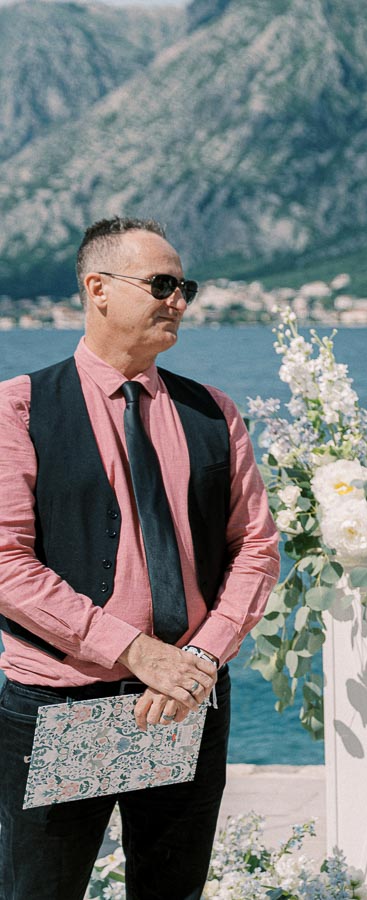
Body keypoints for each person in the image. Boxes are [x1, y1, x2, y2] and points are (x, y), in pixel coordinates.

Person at [0, 216, 280, 899]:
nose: (178, 300)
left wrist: (200, 659)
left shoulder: (214, 413)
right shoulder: (19, 409)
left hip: (183, 700)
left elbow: (256, 550)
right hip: (67, 705)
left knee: (171, 891)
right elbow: (7, 564)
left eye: (184, 285)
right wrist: (136, 651)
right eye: (161, 284)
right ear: (98, 288)